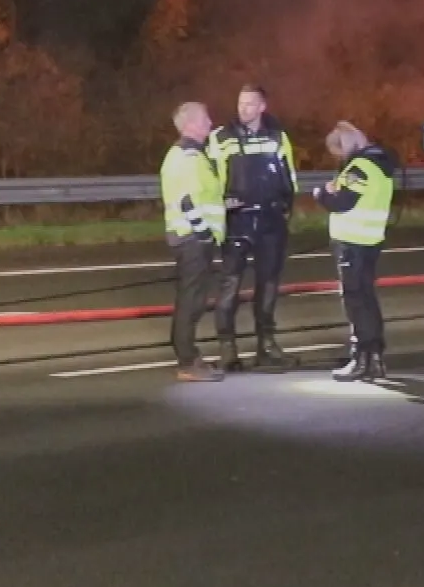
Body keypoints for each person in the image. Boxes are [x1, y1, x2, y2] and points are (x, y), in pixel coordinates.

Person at [209, 83, 300, 371]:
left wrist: (286, 207)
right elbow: (212, 180)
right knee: (230, 285)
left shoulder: (277, 136)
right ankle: (227, 348)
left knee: (269, 284)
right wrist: (221, 209)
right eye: (240, 103)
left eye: (249, 104)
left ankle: (267, 345)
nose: (242, 108)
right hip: (236, 220)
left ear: (262, 107)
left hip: (271, 220)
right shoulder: (221, 137)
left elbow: (289, 175)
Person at [313, 121, 398, 382]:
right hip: (370, 241)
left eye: (336, 152)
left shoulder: (359, 168)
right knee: (367, 300)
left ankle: (361, 359)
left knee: (356, 302)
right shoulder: (380, 167)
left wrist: (321, 194)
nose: (337, 157)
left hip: (352, 244)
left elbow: (343, 202)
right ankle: (374, 358)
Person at [160, 102, 225, 382]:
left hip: (189, 237)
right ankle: (187, 360)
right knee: (192, 299)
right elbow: (187, 200)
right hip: (192, 238)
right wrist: (203, 232)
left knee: (192, 297)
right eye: (205, 119)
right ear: (191, 124)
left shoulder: (190, 154)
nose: (210, 123)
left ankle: (188, 355)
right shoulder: (187, 157)